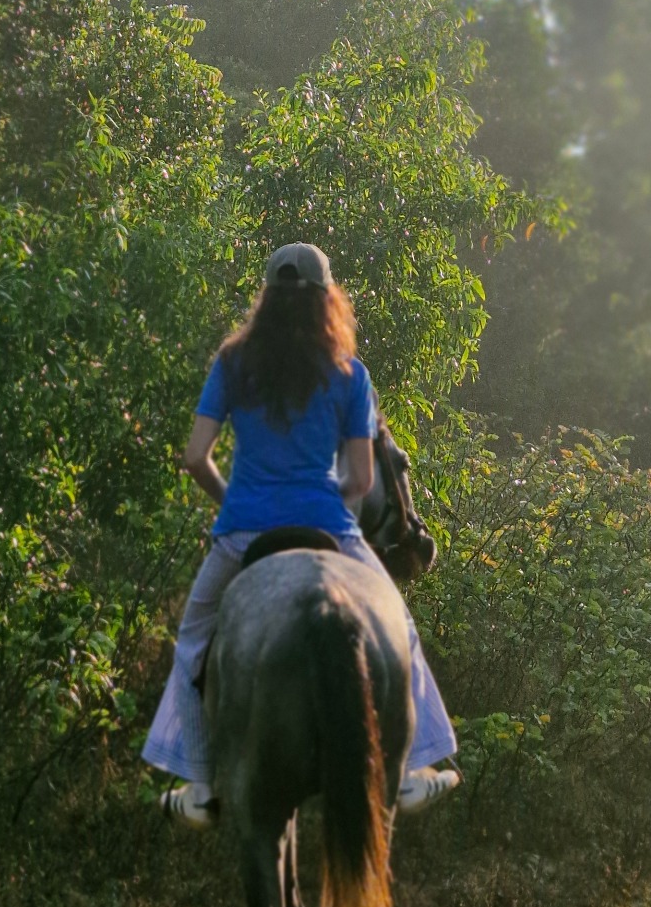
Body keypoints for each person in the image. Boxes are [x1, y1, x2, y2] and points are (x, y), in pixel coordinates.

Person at [140, 242, 461, 826]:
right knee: (399, 626)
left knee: (192, 642)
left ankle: (201, 785)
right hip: (330, 529)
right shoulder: (349, 374)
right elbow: (362, 479)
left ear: (267, 300)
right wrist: (320, 503)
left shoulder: (232, 363)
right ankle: (413, 771)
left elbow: (194, 458)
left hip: (243, 533)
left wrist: (237, 502)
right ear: (326, 300)